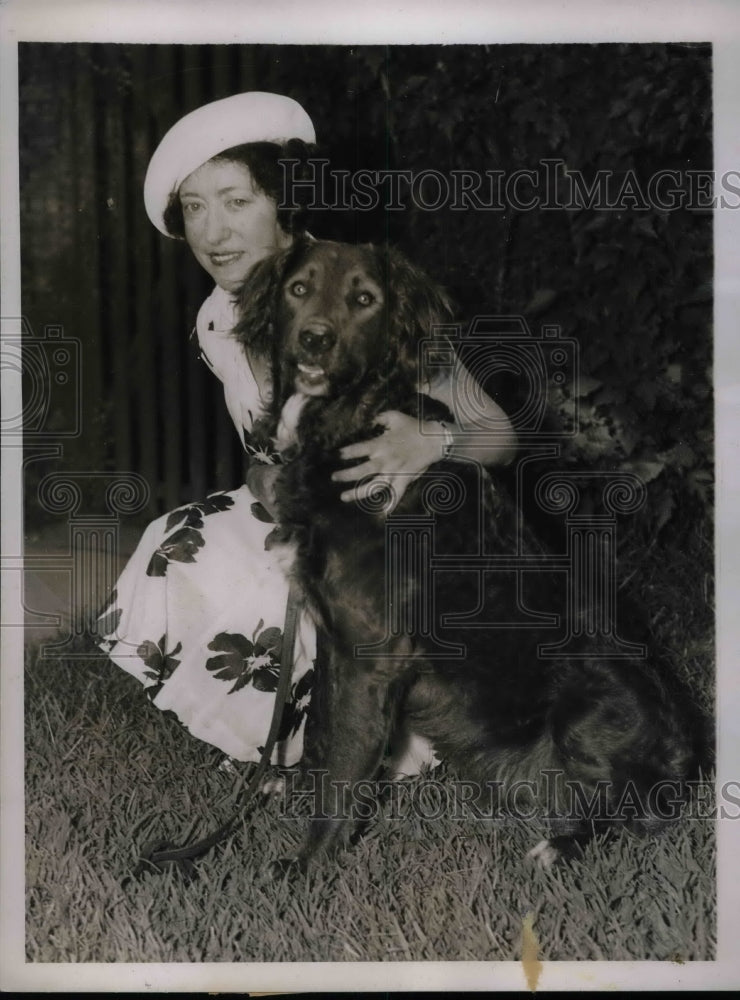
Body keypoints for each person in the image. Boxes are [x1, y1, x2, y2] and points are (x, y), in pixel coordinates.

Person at [98, 91, 517, 775]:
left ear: (285, 205)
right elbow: (270, 448)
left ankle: (391, 738)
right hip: (323, 518)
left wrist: (432, 443)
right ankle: (284, 742)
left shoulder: (362, 288)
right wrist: (265, 478)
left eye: (237, 201)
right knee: (181, 543)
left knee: (284, 574)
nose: (214, 232)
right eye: (196, 208)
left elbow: (500, 433)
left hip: (412, 539)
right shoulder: (216, 319)